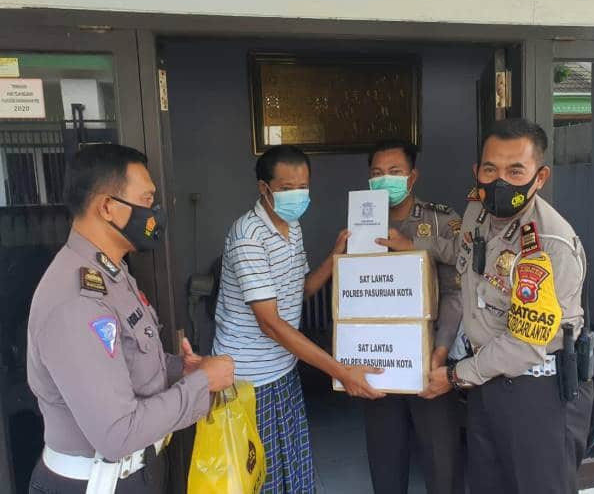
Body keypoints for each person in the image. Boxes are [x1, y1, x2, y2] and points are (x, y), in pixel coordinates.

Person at [384, 119, 594, 494]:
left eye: (516, 171)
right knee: (487, 483)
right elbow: (463, 253)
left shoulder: (549, 245)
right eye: (490, 169)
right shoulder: (477, 212)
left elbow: (526, 345)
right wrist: (415, 245)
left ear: (540, 177)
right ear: (477, 171)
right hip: (487, 382)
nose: (500, 182)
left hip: (537, 392)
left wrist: (453, 376)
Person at [26, 144, 235, 494]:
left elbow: (128, 361)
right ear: (108, 207)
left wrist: (179, 369)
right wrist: (202, 383)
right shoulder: (77, 302)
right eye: (147, 199)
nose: (155, 212)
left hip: (136, 472)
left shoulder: (111, 273)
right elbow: (117, 434)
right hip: (95, 483)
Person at [213, 145, 384, 494]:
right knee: (259, 477)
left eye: (303, 187)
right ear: (264, 188)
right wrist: (340, 371)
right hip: (249, 378)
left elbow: (300, 290)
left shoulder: (292, 226)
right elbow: (270, 324)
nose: (297, 195)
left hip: (282, 368)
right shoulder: (248, 238)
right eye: (287, 188)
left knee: (292, 465)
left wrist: (335, 258)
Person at [363, 141, 465, 494]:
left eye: (394, 172)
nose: (385, 179)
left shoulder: (442, 220)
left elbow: (455, 293)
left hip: (430, 364)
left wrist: (440, 351)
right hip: (379, 365)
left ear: (412, 176)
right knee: (386, 466)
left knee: (441, 465)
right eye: (377, 173)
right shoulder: (362, 224)